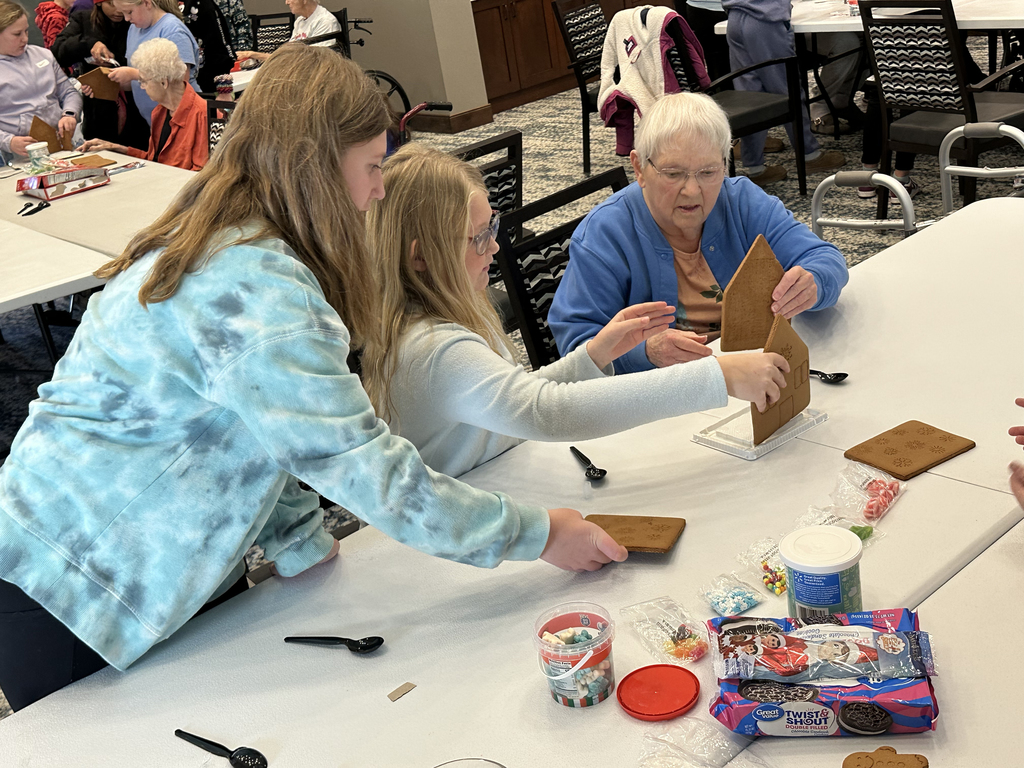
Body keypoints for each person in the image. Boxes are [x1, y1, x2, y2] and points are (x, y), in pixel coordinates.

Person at [0, 46, 625, 713]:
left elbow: (251, 427)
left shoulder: (232, 238)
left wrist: (298, 540)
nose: (379, 190)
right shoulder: (258, 292)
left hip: (160, 552)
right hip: (73, 579)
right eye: (373, 166)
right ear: (317, 167)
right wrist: (538, 533)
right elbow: (371, 472)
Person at [361, 144, 791, 477]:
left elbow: (513, 398)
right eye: (478, 238)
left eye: (492, 227)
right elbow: (545, 412)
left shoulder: (451, 315)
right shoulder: (434, 349)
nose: (493, 247)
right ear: (421, 257)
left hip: (498, 480)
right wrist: (717, 376)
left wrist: (594, 355)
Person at [549, 92, 849, 375]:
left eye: (708, 172)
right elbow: (577, 348)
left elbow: (823, 257)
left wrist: (813, 283)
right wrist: (645, 353)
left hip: (752, 369)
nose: (692, 191)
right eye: (673, 174)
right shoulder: (605, 234)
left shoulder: (741, 201)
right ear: (639, 168)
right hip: (664, 391)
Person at [722, 0, 845, 185]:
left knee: (749, 95)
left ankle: (755, 168)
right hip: (765, 18)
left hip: (735, 15)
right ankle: (809, 155)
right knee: (788, 89)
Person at [80, 37, 207, 169]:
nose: (142, 86)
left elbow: (201, 174)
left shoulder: (203, 116)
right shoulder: (160, 111)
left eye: (143, 81)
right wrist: (115, 148)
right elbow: (153, 160)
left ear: (163, 82)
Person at [51, 0, 149, 150]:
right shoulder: (83, 19)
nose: (118, 10)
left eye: (121, 5)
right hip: (98, 109)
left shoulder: (134, 21)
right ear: (98, 3)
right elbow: (58, 51)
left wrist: (115, 62)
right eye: (111, 4)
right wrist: (89, 44)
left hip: (135, 108)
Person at [0, 0, 82, 156]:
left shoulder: (43, 55)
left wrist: (70, 114)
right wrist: (8, 141)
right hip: (17, 153)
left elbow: (69, 92)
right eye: (17, 34)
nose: (24, 39)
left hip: (60, 144)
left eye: (26, 31)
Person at [106, 0, 199, 127]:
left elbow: (180, 81)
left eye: (129, 12)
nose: (126, 18)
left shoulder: (173, 30)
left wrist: (134, 74)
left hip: (183, 118)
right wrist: (107, 83)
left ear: (147, 3)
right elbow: (136, 84)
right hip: (156, 121)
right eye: (123, 13)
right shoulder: (134, 29)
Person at [235, 0, 341, 62]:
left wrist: (255, 55)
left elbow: (316, 61)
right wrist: (253, 54)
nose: (286, 2)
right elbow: (288, 54)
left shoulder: (325, 22)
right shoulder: (299, 21)